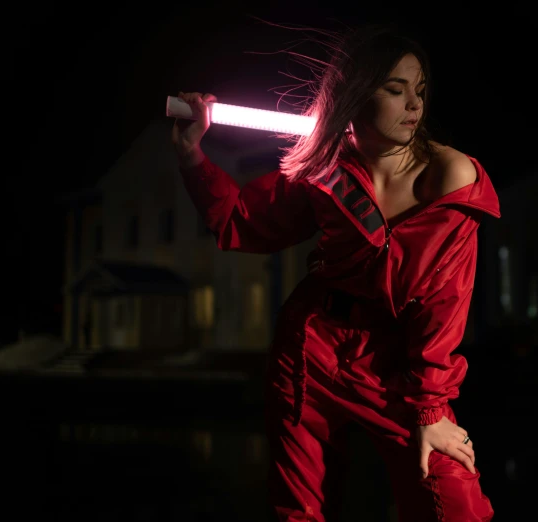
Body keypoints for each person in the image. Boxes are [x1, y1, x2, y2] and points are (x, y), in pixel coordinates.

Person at [172, 23, 500, 521]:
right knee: (300, 511)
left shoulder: (449, 178)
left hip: (398, 363)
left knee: (453, 504)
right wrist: (192, 154)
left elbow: (445, 303)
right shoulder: (326, 166)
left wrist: (430, 410)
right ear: (355, 93)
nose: (414, 105)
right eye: (395, 90)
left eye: (421, 90)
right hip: (312, 346)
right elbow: (245, 223)